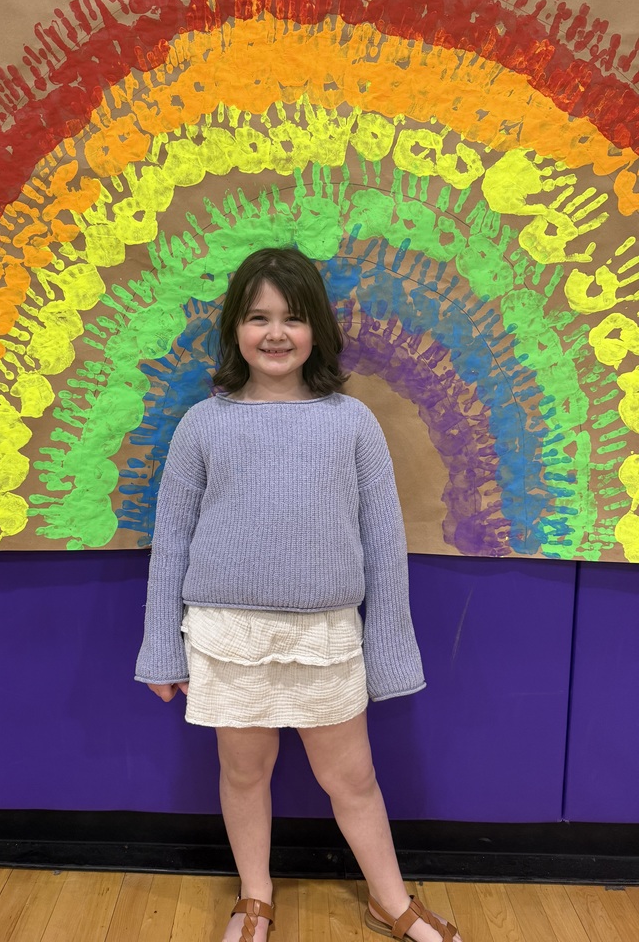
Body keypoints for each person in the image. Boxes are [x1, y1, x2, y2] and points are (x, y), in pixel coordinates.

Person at [135, 246, 461, 942]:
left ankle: (391, 901)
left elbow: (383, 547)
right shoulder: (203, 425)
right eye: (258, 317)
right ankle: (255, 897)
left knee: (353, 781)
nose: (275, 333)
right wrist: (161, 648)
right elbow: (172, 545)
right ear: (236, 329)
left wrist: (391, 653)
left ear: (317, 329)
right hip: (228, 633)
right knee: (245, 774)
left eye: (292, 316)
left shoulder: (351, 423)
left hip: (325, 637)